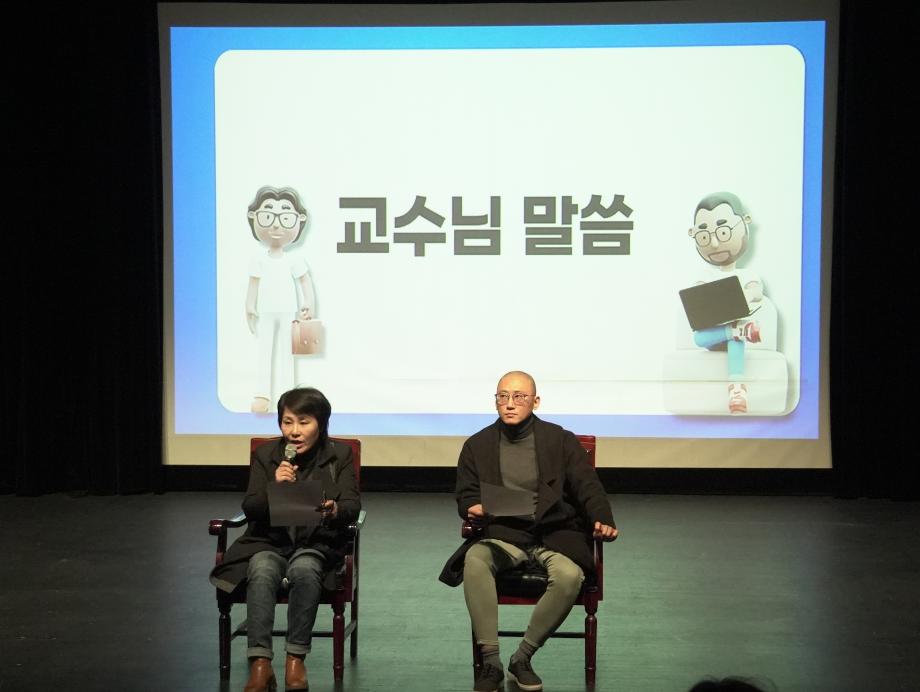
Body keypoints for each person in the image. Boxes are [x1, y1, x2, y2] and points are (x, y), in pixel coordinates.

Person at [439, 371, 617, 692]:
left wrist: (602, 518)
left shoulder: (559, 440)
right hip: (504, 533)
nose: (510, 404)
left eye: (519, 397)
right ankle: (490, 662)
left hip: (554, 534)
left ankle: (522, 658)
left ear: (535, 401)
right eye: (503, 396)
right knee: (475, 560)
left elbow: (587, 486)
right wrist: (473, 507)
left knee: (569, 576)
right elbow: (466, 495)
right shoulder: (477, 445)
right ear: (495, 401)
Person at [209, 387, 360, 692]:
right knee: (262, 568)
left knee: (304, 569)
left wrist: (333, 509)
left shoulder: (339, 455)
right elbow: (250, 507)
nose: (294, 431)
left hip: (316, 543)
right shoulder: (267, 455)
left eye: (304, 422)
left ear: (321, 423)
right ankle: (261, 664)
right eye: (287, 422)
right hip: (269, 541)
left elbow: (352, 506)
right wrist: (274, 487)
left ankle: (295, 659)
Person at [686, 192, 765, 414]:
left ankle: (737, 389)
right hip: (713, 334)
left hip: (736, 332)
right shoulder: (704, 276)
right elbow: (697, 300)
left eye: (723, 232)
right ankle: (737, 330)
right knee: (699, 337)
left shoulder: (747, 274)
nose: (714, 242)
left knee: (736, 338)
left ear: (745, 222)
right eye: (704, 237)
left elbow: (756, 292)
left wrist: (745, 296)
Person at [245, 186, 317, 414]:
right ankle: (262, 394)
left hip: (288, 310)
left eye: (285, 218)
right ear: (254, 217)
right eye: (267, 217)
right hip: (265, 310)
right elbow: (253, 284)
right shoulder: (259, 259)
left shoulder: (293, 260)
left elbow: (305, 281)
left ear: (299, 220)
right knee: (264, 350)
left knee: (287, 352)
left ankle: (289, 396)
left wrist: (309, 303)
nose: (276, 225)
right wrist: (249, 306)